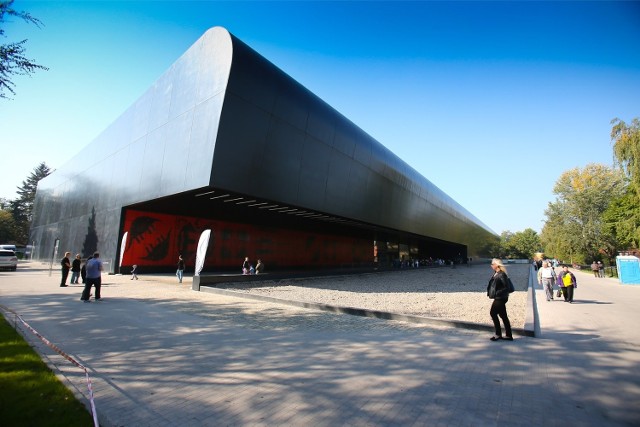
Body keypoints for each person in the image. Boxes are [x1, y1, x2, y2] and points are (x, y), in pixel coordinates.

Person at [486, 258, 513, 341]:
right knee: (503, 315)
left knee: (493, 313)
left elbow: (506, 287)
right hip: (500, 297)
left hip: (500, 298)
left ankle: (498, 334)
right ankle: (508, 335)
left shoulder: (501, 274)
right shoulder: (496, 273)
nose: (491, 265)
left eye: (492, 264)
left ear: (497, 265)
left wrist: (497, 293)